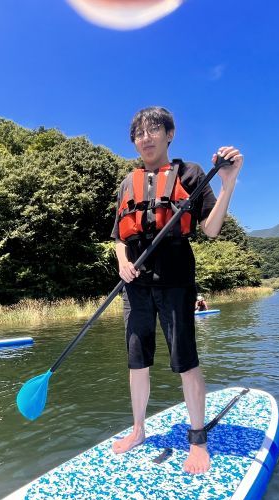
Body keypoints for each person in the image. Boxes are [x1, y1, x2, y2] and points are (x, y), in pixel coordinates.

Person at [110, 106, 243, 475]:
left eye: (154, 130)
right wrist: (122, 261)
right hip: (135, 284)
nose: (145, 138)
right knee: (137, 362)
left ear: (170, 134)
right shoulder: (127, 182)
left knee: (186, 361)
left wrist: (228, 182)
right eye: (139, 133)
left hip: (176, 281)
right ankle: (138, 429)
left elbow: (212, 230)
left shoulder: (192, 174)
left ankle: (197, 440)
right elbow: (118, 238)